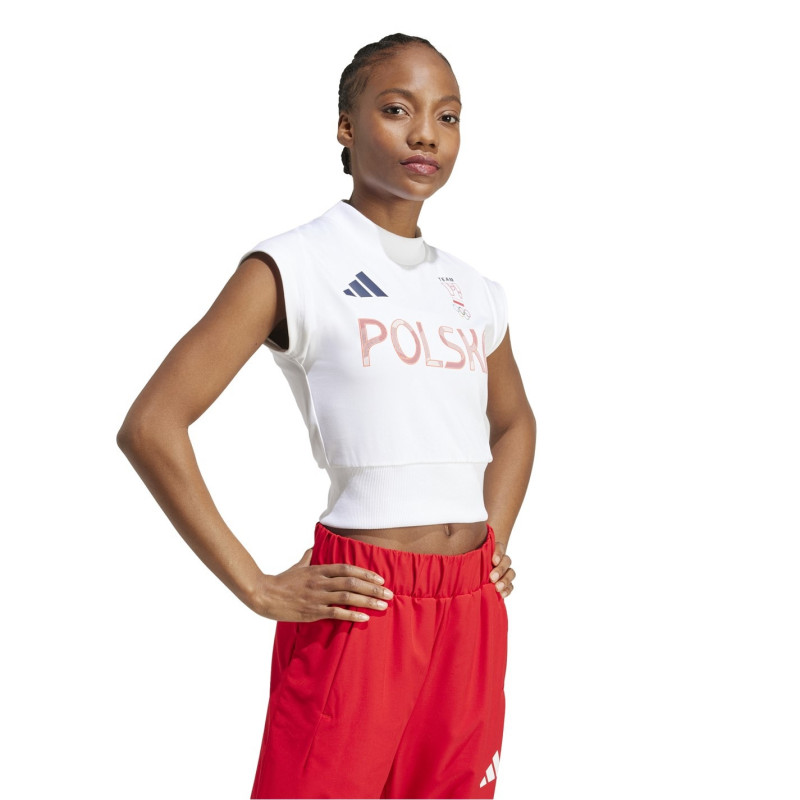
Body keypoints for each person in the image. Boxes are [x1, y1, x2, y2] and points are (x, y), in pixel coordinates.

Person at [117, 32, 536, 800]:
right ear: (346, 125)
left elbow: (514, 423)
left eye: (447, 117)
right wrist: (255, 586)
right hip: (363, 599)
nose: (425, 135)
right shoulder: (294, 264)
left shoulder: (473, 290)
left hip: (471, 607)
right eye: (397, 110)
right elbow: (153, 423)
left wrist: (495, 537)